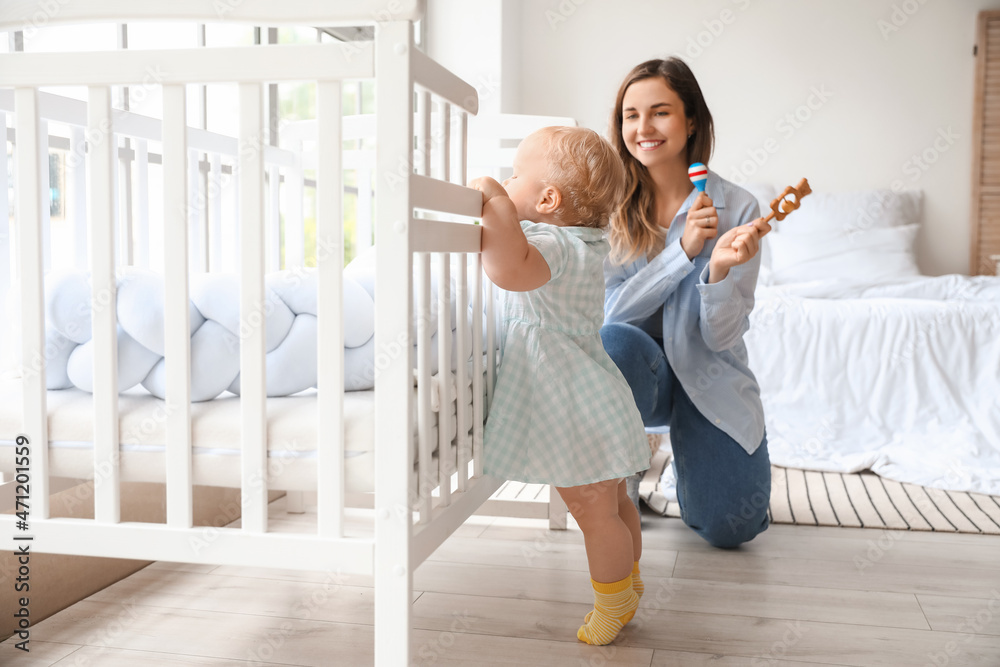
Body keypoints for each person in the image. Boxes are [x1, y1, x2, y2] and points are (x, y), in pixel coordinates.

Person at [470, 126, 650, 646]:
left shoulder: (552, 242)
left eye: (516, 176)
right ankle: (629, 582)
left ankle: (613, 600)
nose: (506, 181)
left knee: (595, 513)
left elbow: (506, 269)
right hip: (591, 393)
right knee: (615, 505)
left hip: (569, 402)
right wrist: (507, 196)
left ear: (548, 200)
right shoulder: (583, 242)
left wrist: (490, 195)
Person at [601, 57, 772, 549]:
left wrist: (717, 271)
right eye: (630, 116)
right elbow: (612, 317)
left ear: (691, 119)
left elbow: (722, 337)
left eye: (660, 112)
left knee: (731, 528)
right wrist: (682, 254)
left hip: (708, 374)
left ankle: (688, 459)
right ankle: (630, 461)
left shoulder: (737, 207)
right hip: (636, 376)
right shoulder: (610, 204)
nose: (643, 128)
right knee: (616, 341)